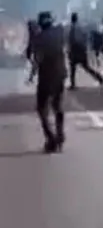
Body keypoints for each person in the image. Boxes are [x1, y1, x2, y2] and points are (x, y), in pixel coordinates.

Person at [27, 12, 67, 153]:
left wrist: (32, 76)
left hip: (46, 77)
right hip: (61, 75)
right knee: (58, 105)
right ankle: (60, 135)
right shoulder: (60, 32)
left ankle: (51, 139)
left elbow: (37, 59)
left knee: (41, 108)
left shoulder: (39, 39)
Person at [67, 12, 103, 90]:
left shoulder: (73, 28)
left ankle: (73, 85)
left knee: (73, 69)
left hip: (75, 51)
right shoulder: (80, 27)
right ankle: (99, 78)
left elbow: (73, 40)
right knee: (86, 67)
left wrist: (70, 50)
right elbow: (84, 37)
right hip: (81, 50)